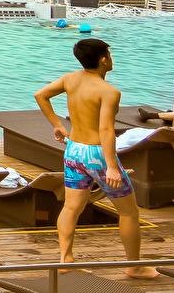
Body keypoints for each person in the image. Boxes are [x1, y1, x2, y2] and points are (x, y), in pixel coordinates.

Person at [35, 38, 153, 279]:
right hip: (97, 154)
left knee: (71, 207)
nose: (111, 58)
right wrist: (111, 167)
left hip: (74, 150)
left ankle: (65, 259)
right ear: (103, 59)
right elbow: (106, 130)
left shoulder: (70, 79)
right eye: (109, 54)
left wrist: (57, 125)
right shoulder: (109, 92)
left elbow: (41, 95)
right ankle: (135, 266)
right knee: (129, 213)